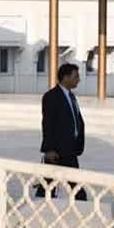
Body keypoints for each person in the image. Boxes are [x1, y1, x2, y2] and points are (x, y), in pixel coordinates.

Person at [38, 63, 87, 201]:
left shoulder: (71, 97)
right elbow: (47, 124)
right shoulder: (51, 96)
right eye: (76, 76)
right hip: (57, 151)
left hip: (70, 148)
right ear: (65, 77)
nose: (78, 79)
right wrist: (49, 149)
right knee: (50, 186)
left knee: (70, 185)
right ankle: (39, 206)